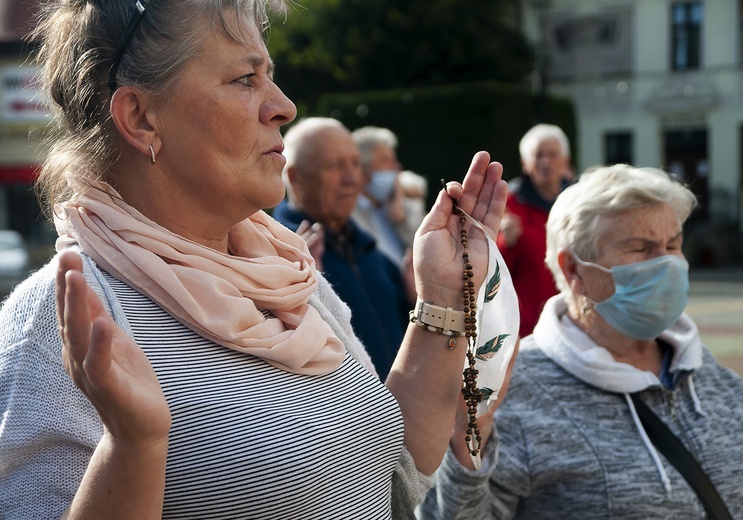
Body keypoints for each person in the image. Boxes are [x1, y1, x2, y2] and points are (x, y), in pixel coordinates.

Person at [0, 1, 510, 517]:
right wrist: (133, 448)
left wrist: (443, 297)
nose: (284, 106)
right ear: (140, 118)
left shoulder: (285, 275)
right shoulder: (63, 319)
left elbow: (395, 481)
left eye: (270, 76)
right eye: (245, 79)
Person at [418, 164, 743, 519]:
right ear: (574, 270)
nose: (667, 263)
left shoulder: (712, 376)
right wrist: (469, 439)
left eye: (673, 244)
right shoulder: (511, 392)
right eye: (641, 248)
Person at [272, 117, 410, 380]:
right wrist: (308, 296)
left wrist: (420, 299)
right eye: (335, 166)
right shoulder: (275, 256)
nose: (352, 179)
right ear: (295, 176)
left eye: (356, 164)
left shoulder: (371, 252)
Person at [497, 123, 572, 337]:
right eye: (538, 155)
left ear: (565, 160)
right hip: (528, 330)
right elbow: (492, 272)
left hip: (575, 324)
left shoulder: (580, 202)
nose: (545, 162)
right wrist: (506, 243)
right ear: (525, 164)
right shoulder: (507, 206)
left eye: (553, 154)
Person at [351, 125, 409, 267]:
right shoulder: (349, 215)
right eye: (385, 160)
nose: (396, 166)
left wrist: (401, 218)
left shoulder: (397, 202)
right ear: (362, 168)